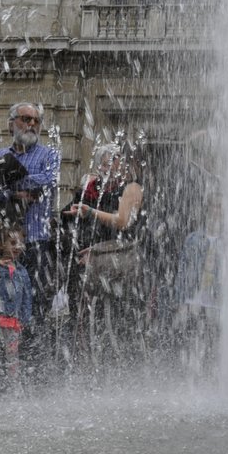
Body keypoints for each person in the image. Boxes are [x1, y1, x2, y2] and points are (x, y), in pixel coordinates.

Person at [0, 102, 61, 317]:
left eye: (36, 121)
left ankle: (32, 348)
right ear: (11, 124)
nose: (31, 124)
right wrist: (16, 190)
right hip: (0, 243)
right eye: (25, 119)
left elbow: (49, 181)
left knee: (34, 303)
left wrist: (6, 181)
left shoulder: (50, 155)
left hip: (34, 241)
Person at [63, 143, 148, 358]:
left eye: (115, 161)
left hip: (119, 265)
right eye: (105, 162)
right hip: (91, 266)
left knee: (118, 318)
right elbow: (71, 218)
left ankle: (120, 366)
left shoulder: (132, 188)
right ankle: (90, 367)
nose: (109, 167)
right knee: (89, 320)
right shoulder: (92, 190)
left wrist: (90, 212)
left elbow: (123, 222)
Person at [0, 223, 33, 382]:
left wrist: (25, 318)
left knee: (12, 354)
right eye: (13, 243)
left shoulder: (22, 271)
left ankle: (13, 383)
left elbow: (27, 296)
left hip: (13, 320)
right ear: (0, 244)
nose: (18, 247)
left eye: (20, 243)